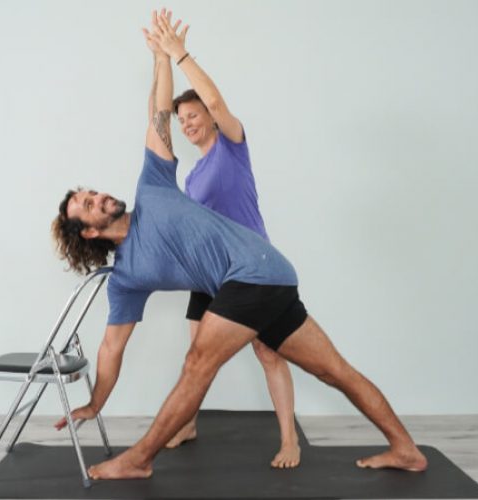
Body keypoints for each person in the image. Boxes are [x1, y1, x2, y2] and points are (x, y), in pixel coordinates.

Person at [49, 12, 428, 480]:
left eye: (93, 192)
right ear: (88, 232)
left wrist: (162, 58)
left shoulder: (154, 185)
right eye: (88, 204)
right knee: (334, 372)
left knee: (196, 362)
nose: (99, 195)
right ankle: (406, 448)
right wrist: (96, 402)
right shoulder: (127, 278)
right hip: (265, 279)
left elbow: (158, 114)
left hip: (255, 270)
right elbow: (111, 347)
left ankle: (139, 459)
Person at [142, 10, 301, 469]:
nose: (188, 123)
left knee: (268, 351)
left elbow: (213, 97)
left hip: (254, 268)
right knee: (198, 355)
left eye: (193, 116)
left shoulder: (231, 145)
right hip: (213, 277)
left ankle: (290, 439)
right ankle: (188, 422)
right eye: (183, 119)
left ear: (210, 119)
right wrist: (158, 63)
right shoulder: (192, 179)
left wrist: (180, 55)